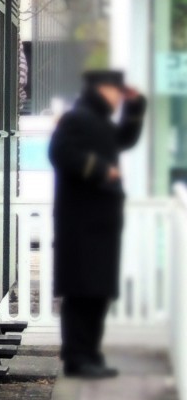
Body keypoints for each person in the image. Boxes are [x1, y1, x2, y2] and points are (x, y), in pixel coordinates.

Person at [50, 67, 147, 379]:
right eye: (116, 92)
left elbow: (124, 140)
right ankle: (78, 357)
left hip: (101, 225)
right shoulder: (77, 119)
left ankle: (90, 353)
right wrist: (102, 170)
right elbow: (61, 153)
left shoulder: (100, 122)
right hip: (81, 225)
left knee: (98, 292)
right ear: (101, 89)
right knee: (82, 292)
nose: (119, 98)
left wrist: (135, 108)